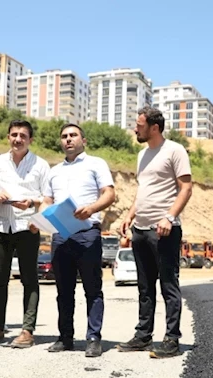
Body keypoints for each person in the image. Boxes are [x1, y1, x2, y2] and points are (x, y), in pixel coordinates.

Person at [117, 107, 193, 359]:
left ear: (154, 128)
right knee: (144, 287)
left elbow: (186, 188)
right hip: (140, 229)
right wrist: (129, 215)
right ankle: (143, 335)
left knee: (168, 284)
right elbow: (143, 192)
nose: (135, 129)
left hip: (164, 231)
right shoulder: (142, 155)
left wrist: (169, 217)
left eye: (139, 125)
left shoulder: (175, 150)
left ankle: (172, 339)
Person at [40, 124, 115, 357]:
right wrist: (41, 216)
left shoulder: (96, 164)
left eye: (73, 135)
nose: (68, 140)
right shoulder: (54, 171)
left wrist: (91, 208)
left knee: (93, 288)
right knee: (63, 289)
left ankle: (93, 338)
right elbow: (46, 200)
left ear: (84, 140)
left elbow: (110, 193)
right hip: (61, 234)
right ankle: (65, 337)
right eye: (64, 136)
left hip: (87, 232)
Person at [0, 120, 49, 348]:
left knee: (30, 279)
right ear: (8, 137)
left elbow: (47, 198)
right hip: (0, 226)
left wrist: (32, 202)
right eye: (13, 135)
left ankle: (27, 330)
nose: (17, 139)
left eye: (22, 135)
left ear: (30, 139)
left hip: (27, 227)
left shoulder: (41, 165)